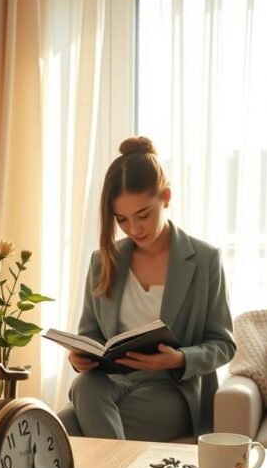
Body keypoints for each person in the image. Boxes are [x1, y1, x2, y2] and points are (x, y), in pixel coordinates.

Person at [57, 136, 236, 440]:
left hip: (172, 390)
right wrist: (79, 357)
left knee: (63, 427)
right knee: (84, 386)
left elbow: (223, 344)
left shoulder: (205, 260)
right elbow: (90, 334)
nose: (134, 229)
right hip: (112, 384)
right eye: (122, 220)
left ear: (165, 197)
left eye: (143, 215)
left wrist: (179, 359)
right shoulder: (104, 261)